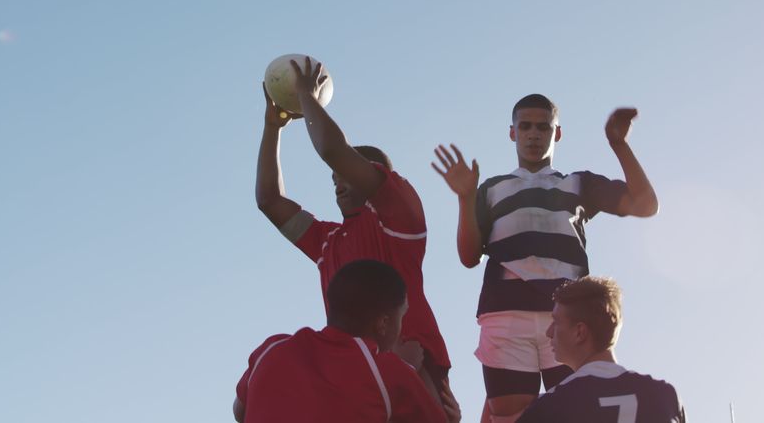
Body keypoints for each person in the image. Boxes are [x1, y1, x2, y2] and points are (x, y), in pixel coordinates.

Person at [432, 94, 658, 423]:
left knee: (578, 412)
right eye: (525, 126)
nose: (534, 134)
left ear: (558, 133)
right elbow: (469, 256)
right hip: (506, 312)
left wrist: (618, 144)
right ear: (512, 133)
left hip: (566, 315)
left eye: (543, 127)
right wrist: (466, 198)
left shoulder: (578, 183)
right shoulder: (493, 189)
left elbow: (644, 204)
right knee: (511, 415)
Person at [256, 57, 452, 395]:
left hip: (412, 364)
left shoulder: (398, 214)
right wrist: (273, 127)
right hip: (355, 373)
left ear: (374, 173)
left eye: (345, 172)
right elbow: (269, 201)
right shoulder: (326, 241)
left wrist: (307, 97)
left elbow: (332, 148)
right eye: (333, 178)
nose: (337, 182)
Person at [234, 260, 461, 423]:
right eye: (401, 316)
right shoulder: (388, 372)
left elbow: (239, 411)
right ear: (383, 322)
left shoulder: (272, 348)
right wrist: (407, 368)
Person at [517, 276, 685, 422]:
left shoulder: (548, 408)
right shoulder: (665, 396)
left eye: (556, 322)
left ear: (579, 332)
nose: (549, 332)